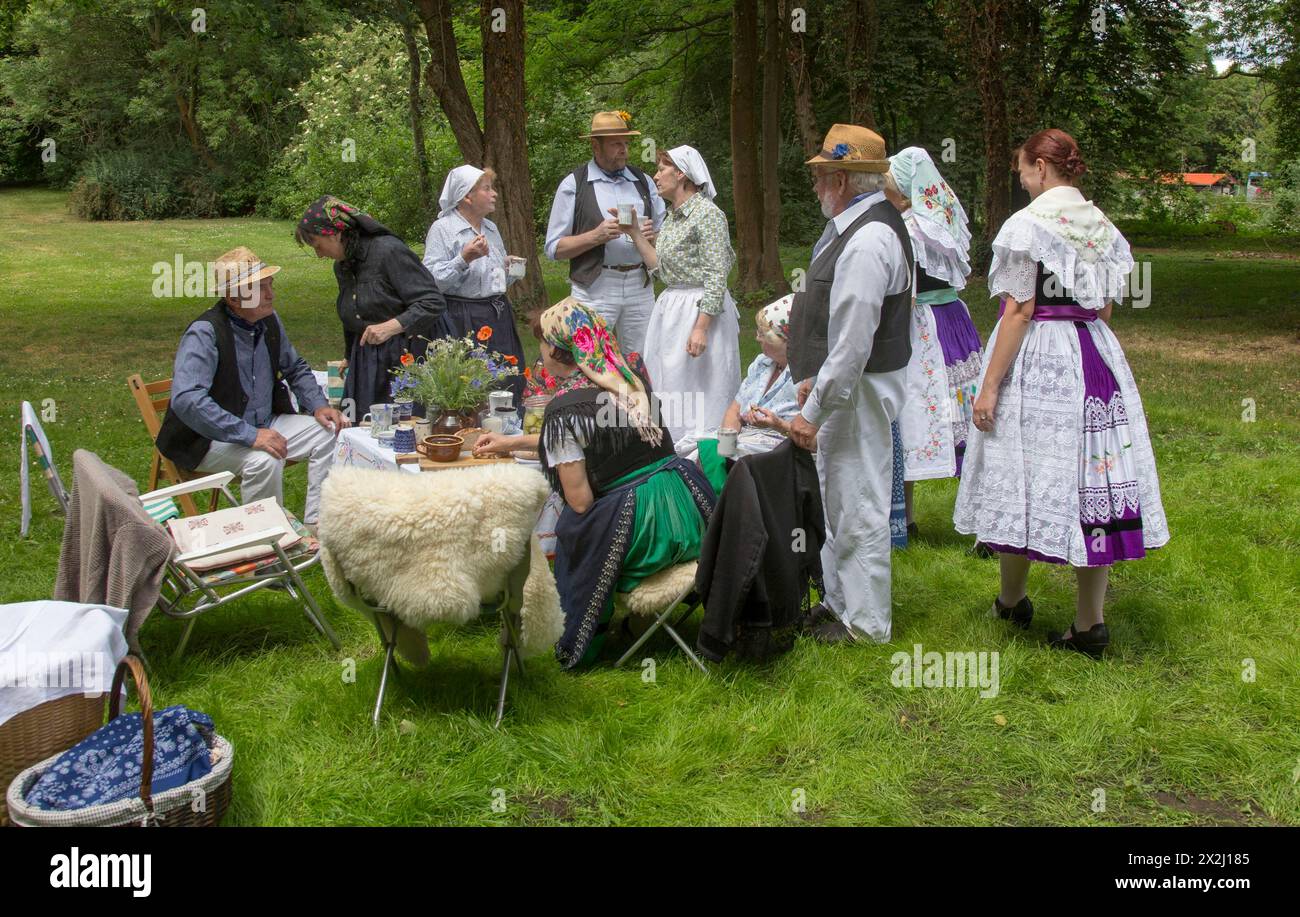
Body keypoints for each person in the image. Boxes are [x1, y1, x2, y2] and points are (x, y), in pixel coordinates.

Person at [953, 128, 1169, 658]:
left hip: (1043, 359)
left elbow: (1019, 311)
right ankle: (1089, 623)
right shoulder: (1101, 225)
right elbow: (1105, 308)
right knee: (1093, 478)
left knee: (1018, 468)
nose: (1023, 180)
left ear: (1042, 169)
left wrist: (989, 387)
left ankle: (1011, 599)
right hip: (1096, 357)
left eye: (1024, 170)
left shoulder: (1028, 226)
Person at [535, 299, 724, 669]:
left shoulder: (564, 412)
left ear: (557, 350)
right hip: (690, 517)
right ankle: (641, 621)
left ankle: (588, 632)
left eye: (542, 342)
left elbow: (580, 501)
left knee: (572, 526)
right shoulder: (630, 383)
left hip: (647, 534)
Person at [786, 124, 913, 645]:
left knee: (858, 501)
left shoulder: (868, 241)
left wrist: (811, 410)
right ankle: (840, 605)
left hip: (858, 393)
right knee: (840, 497)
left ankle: (866, 625)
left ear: (839, 180)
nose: (815, 186)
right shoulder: (855, 228)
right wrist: (817, 378)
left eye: (819, 176)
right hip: (847, 388)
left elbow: (854, 344)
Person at [156, 246, 349, 526]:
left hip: (263, 423)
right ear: (234, 297)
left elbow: (294, 366)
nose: (271, 294)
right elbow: (187, 400)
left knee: (331, 432)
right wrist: (250, 435)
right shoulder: (205, 333)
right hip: (208, 438)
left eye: (270, 285)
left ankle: (317, 526)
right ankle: (266, 545)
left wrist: (318, 405)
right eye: (261, 288)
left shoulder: (267, 320)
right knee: (264, 460)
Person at [885, 146, 983, 537]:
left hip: (922, 327)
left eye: (888, 184)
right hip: (954, 322)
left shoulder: (906, 228)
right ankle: (979, 520)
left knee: (910, 414)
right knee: (963, 417)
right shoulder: (943, 222)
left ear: (905, 192)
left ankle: (904, 518)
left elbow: (903, 296)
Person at [623, 145, 740, 443]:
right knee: (671, 383)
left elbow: (716, 276)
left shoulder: (708, 215)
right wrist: (635, 232)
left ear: (682, 174)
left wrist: (701, 328)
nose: (656, 175)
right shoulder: (673, 217)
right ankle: (674, 446)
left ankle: (709, 453)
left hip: (700, 310)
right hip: (673, 308)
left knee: (703, 387)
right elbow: (661, 270)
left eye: (662, 168)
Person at [295, 195, 445, 416]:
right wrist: (348, 354)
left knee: (401, 427)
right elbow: (351, 310)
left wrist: (391, 326)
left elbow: (432, 301)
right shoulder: (343, 266)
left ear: (335, 234)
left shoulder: (388, 251)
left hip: (404, 357)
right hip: (366, 358)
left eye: (317, 245)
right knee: (363, 424)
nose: (318, 254)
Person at [544, 111, 666, 357]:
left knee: (644, 359)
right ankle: (593, 398)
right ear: (595, 146)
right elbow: (553, 248)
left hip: (640, 286)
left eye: (626, 143)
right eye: (616, 144)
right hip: (595, 286)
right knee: (592, 359)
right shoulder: (574, 184)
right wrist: (595, 236)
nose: (624, 150)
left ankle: (640, 397)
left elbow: (664, 235)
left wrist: (651, 236)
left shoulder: (643, 181)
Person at [422, 165, 528, 408]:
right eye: (487, 189)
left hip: (498, 313)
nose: (494, 194)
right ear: (467, 196)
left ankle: (505, 430)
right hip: (462, 316)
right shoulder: (443, 230)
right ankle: (468, 433)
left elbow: (492, 278)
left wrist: (509, 269)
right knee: (470, 383)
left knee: (505, 377)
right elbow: (431, 281)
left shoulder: (491, 228)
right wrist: (463, 259)